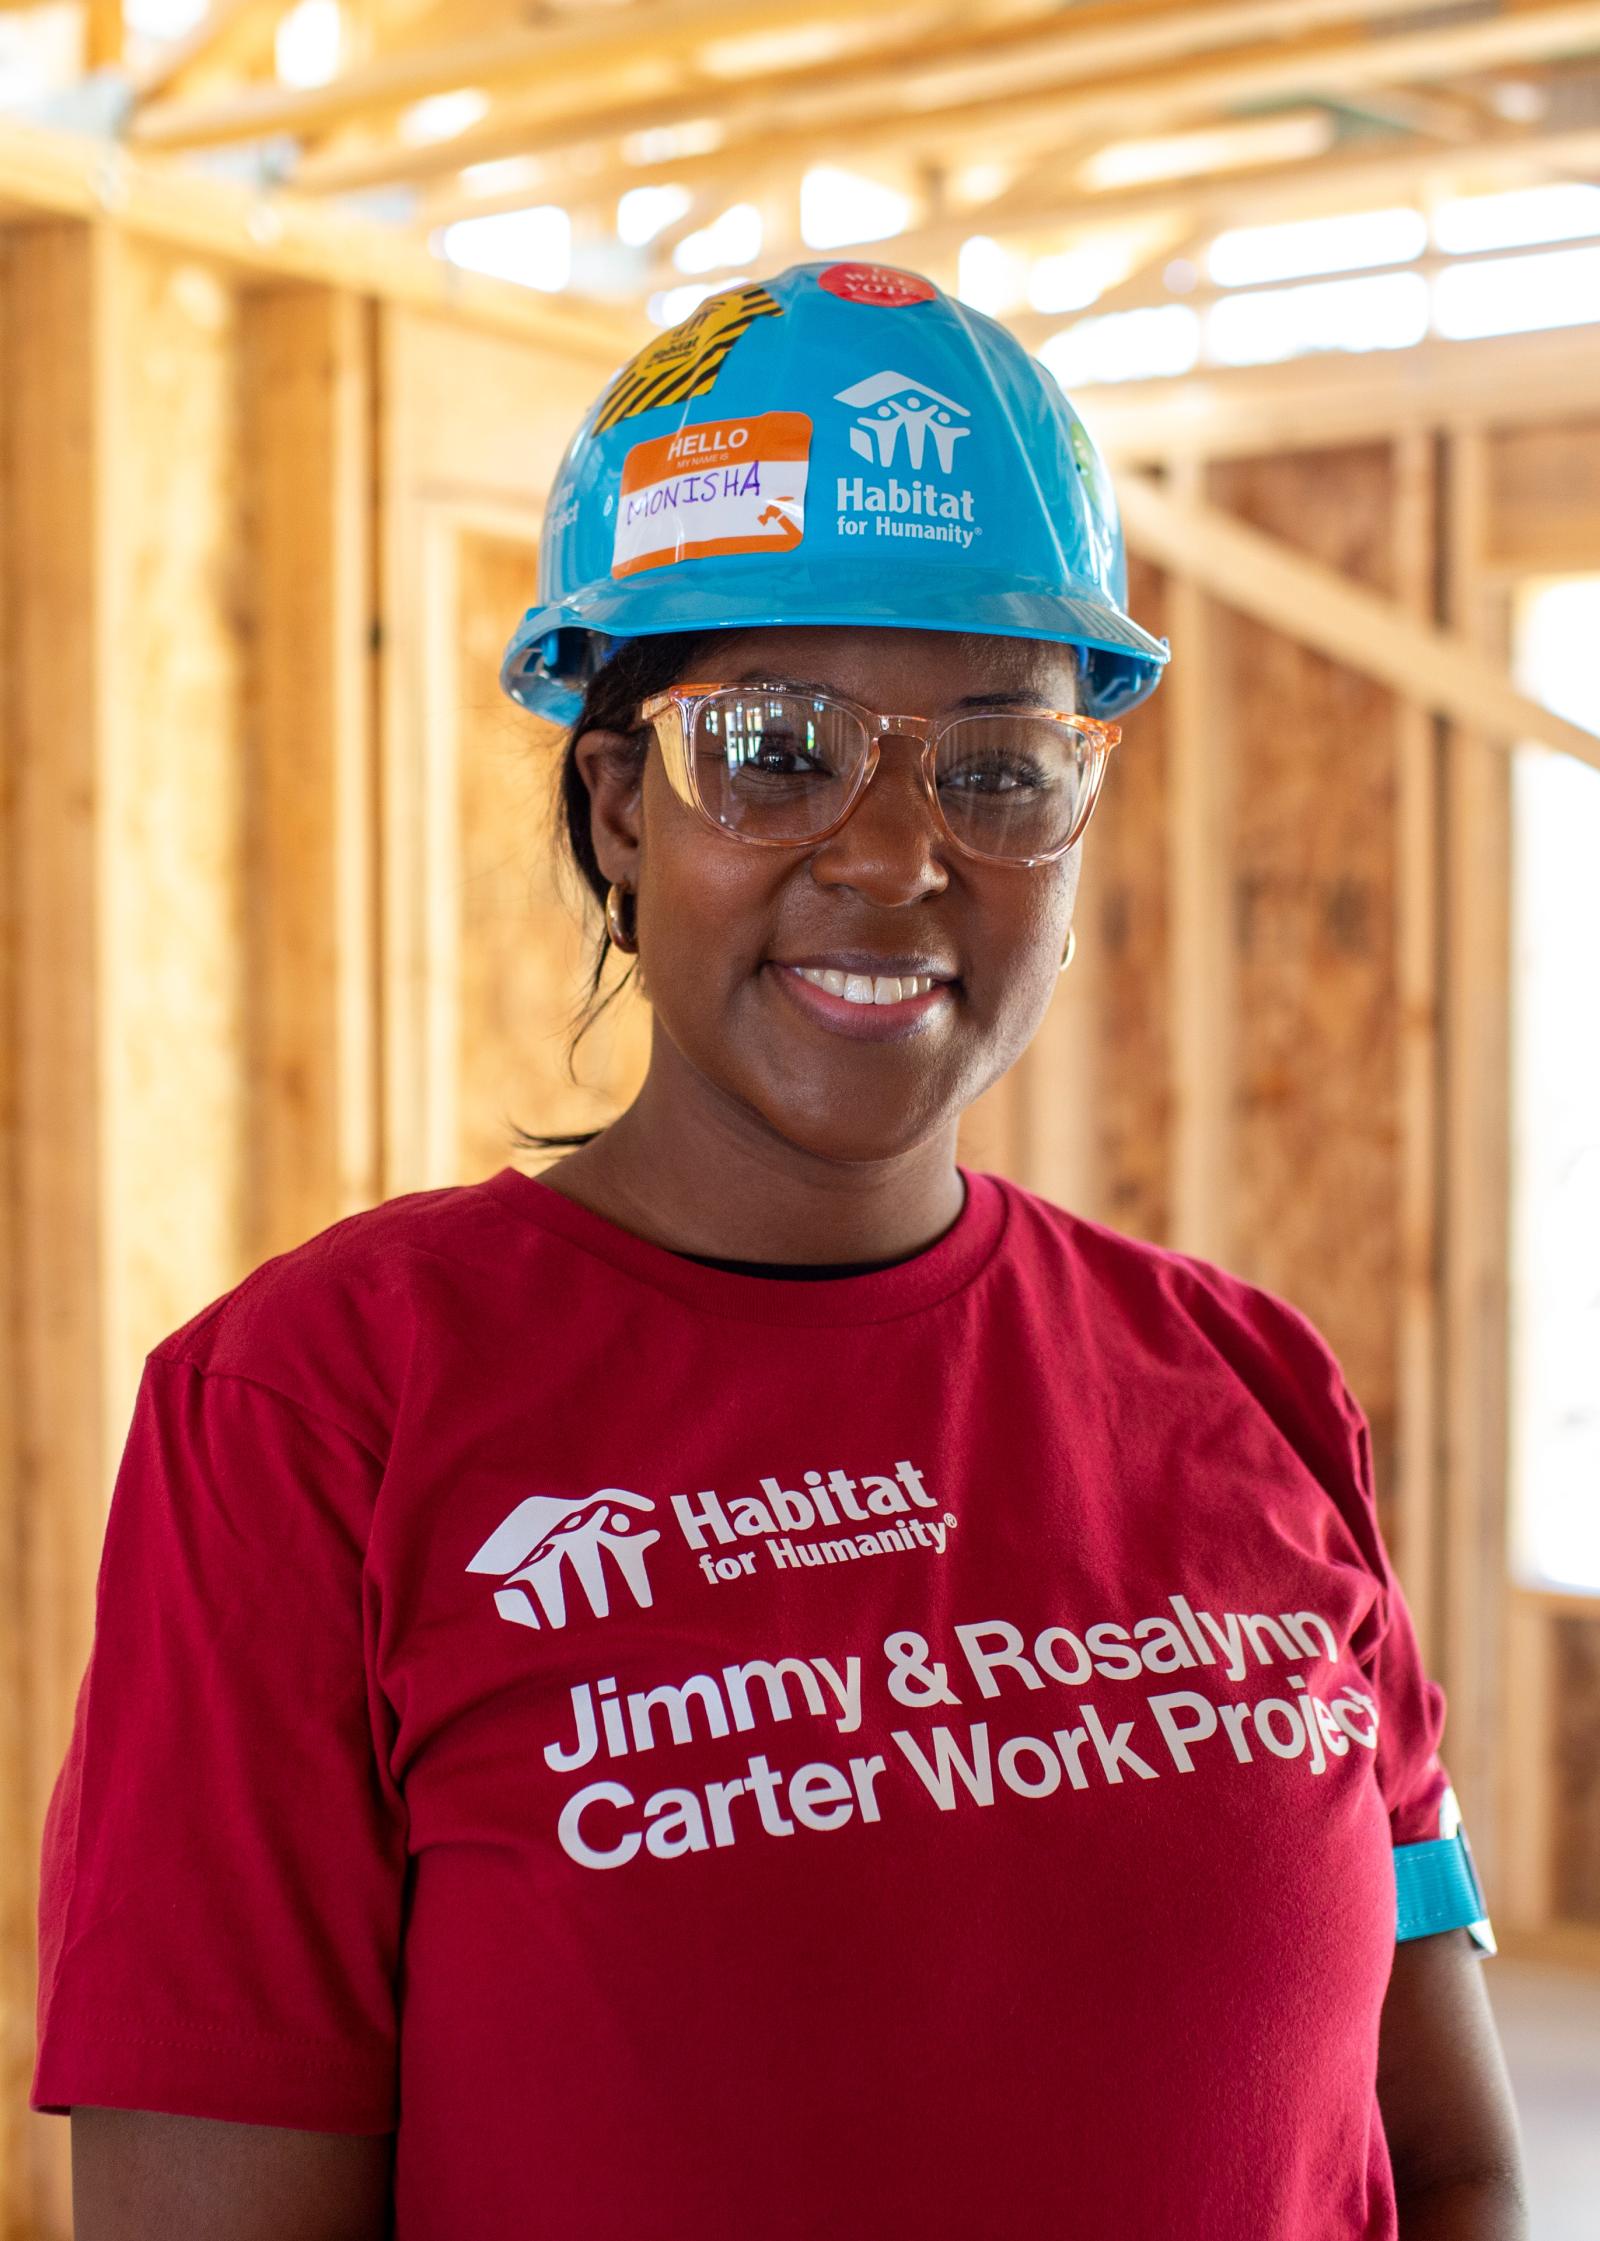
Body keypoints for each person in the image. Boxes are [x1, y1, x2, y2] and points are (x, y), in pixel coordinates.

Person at [33, 259, 1526, 2239]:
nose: (894, 850)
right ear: (615, 805)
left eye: (995, 763)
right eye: (771, 745)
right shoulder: (314, 1416)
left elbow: (1450, 2161)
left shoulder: (1251, 1387)